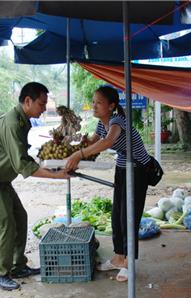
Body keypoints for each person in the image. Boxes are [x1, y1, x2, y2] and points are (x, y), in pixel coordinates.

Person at [0, 82, 70, 291]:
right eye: (41, 104)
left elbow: (23, 157)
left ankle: (18, 266)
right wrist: (58, 175)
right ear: (27, 101)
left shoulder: (23, 121)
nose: (44, 108)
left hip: (2, 180)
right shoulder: (13, 123)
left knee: (20, 218)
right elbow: (23, 165)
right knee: (4, 225)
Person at [64, 85, 151, 282]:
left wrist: (79, 154)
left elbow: (107, 142)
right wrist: (72, 147)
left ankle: (129, 262)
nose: (94, 106)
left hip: (138, 169)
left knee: (129, 216)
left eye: (99, 102)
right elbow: (93, 143)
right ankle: (119, 257)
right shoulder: (102, 124)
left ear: (111, 106)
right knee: (117, 215)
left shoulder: (117, 121)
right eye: (93, 102)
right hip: (122, 167)